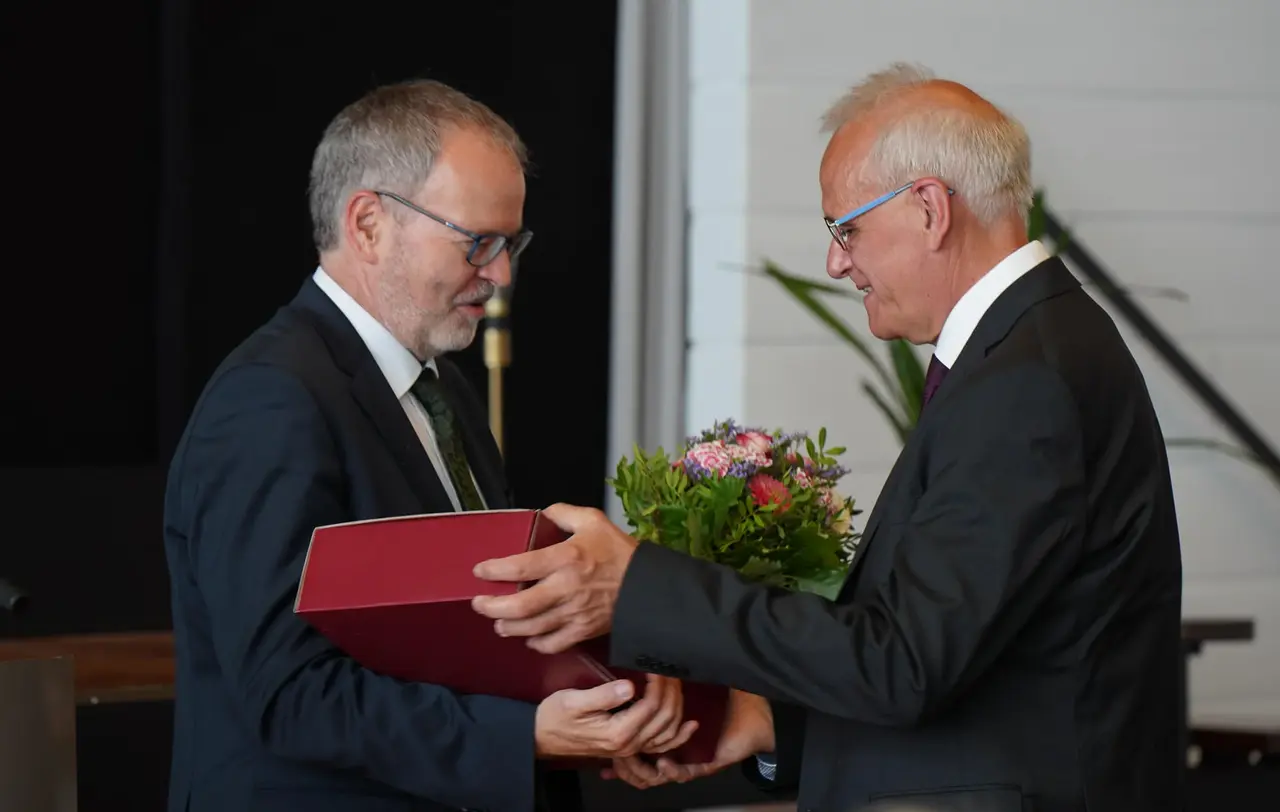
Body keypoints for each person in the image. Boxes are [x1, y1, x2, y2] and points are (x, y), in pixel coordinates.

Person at [470, 63, 1184, 811]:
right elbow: (958, 656)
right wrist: (767, 724)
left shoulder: (1025, 380)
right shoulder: (1029, 351)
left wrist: (636, 584)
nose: (837, 262)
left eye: (847, 229)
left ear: (930, 209)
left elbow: (904, 665)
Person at [162, 79, 693, 812]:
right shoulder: (269, 400)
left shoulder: (443, 390)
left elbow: (472, 632)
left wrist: (612, 694)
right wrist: (526, 738)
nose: (502, 275)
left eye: (512, 244)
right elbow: (289, 692)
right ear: (369, 225)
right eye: (479, 242)